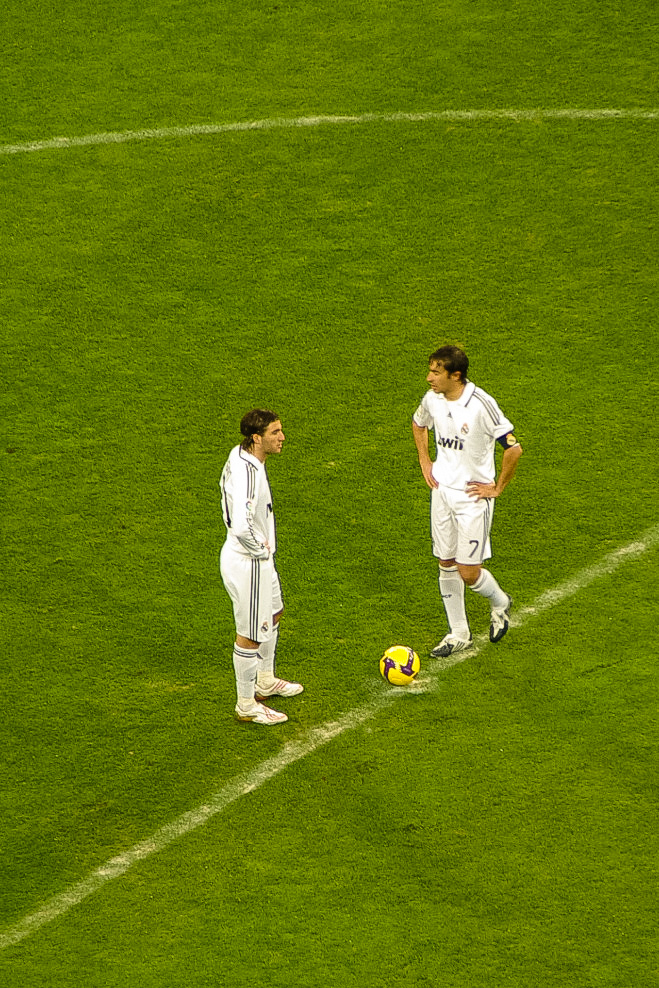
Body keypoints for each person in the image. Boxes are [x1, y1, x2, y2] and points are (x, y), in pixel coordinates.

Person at [412, 346, 523, 657]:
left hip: (472, 499)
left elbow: (513, 449)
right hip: (441, 492)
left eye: (436, 372)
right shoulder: (432, 399)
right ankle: (459, 633)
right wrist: (425, 461)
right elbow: (419, 424)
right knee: (445, 562)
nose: (429, 377)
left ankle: (500, 602)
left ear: (456, 376)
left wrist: (497, 488)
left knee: (469, 572)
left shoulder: (481, 405)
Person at [219, 409, 303, 724]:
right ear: (257, 438)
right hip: (249, 563)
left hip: (254, 561)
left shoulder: (242, 455)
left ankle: (265, 680)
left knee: (274, 612)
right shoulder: (249, 475)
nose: (282, 438)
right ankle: (246, 704)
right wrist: (261, 550)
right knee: (251, 635)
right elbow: (242, 527)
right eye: (275, 433)